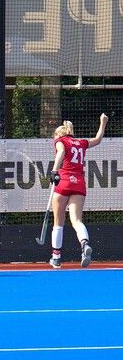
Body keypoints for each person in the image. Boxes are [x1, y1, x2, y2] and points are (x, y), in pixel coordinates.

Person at [48, 113, 108, 269]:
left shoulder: (60, 141)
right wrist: (103, 122)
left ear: (59, 134)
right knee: (76, 220)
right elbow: (98, 139)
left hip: (64, 181)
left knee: (58, 222)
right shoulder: (81, 142)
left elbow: (61, 153)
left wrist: (54, 171)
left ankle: (56, 257)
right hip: (78, 183)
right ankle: (84, 244)